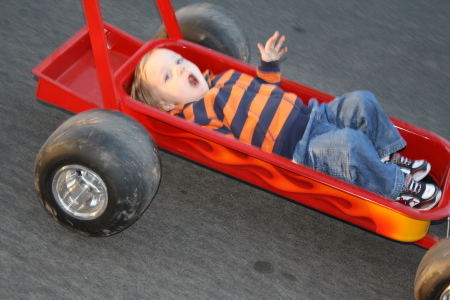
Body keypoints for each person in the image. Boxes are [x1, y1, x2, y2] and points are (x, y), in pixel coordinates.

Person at [131, 31, 442, 210]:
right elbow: (181, 129)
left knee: (363, 100)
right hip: (300, 149)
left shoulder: (224, 77)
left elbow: (265, 87)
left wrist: (268, 63)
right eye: (168, 76)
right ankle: (397, 186)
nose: (183, 68)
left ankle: (386, 158)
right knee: (350, 144)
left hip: (313, 114)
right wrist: (164, 115)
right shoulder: (195, 114)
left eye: (180, 60)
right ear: (167, 103)